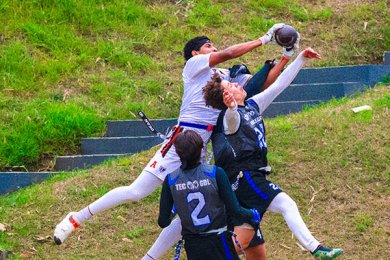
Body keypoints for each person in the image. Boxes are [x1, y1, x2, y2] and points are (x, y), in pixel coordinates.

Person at [53, 23, 291, 259]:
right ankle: (77, 217)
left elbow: (256, 86)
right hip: (182, 140)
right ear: (196, 53)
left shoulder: (224, 77)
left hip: (201, 146)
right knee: (137, 191)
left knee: (189, 210)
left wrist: (285, 58)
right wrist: (264, 39)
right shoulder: (193, 66)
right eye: (208, 46)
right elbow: (228, 53)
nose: (214, 48)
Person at [203, 47, 344, 259]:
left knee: (254, 249)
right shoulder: (227, 118)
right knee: (287, 204)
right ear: (225, 97)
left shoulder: (251, 105)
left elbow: (279, 85)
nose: (236, 84)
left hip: (253, 177)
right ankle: (317, 249)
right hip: (246, 178)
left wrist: (301, 60)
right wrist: (231, 108)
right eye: (230, 85)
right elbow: (232, 122)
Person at [158, 130, 260, 260]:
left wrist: (175, 210)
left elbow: (163, 222)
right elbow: (236, 211)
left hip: (193, 246)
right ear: (201, 150)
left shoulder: (171, 180)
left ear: (178, 153)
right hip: (219, 242)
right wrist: (253, 214)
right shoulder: (215, 173)